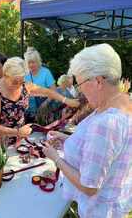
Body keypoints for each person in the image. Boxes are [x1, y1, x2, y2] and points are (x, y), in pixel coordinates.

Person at [43, 43, 132, 218]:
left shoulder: (106, 123)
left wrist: (56, 158)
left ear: (98, 81)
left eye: (80, 83)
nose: (79, 90)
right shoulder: (120, 104)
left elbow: (89, 186)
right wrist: (65, 138)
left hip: (99, 211)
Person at [0, 57, 79, 140]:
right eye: (14, 82)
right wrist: (17, 132)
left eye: (21, 81)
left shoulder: (25, 86)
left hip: (19, 138)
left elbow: (48, 92)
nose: (19, 85)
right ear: (5, 75)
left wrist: (67, 100)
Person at [24, 47, 56, 121]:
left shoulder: (46, 72)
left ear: (38, 61)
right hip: (29, 111)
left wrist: (45, 103)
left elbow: (54, 91)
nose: (31, 65)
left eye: (33, 62)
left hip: (44, 109)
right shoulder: (25, 74)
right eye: (29, 62)